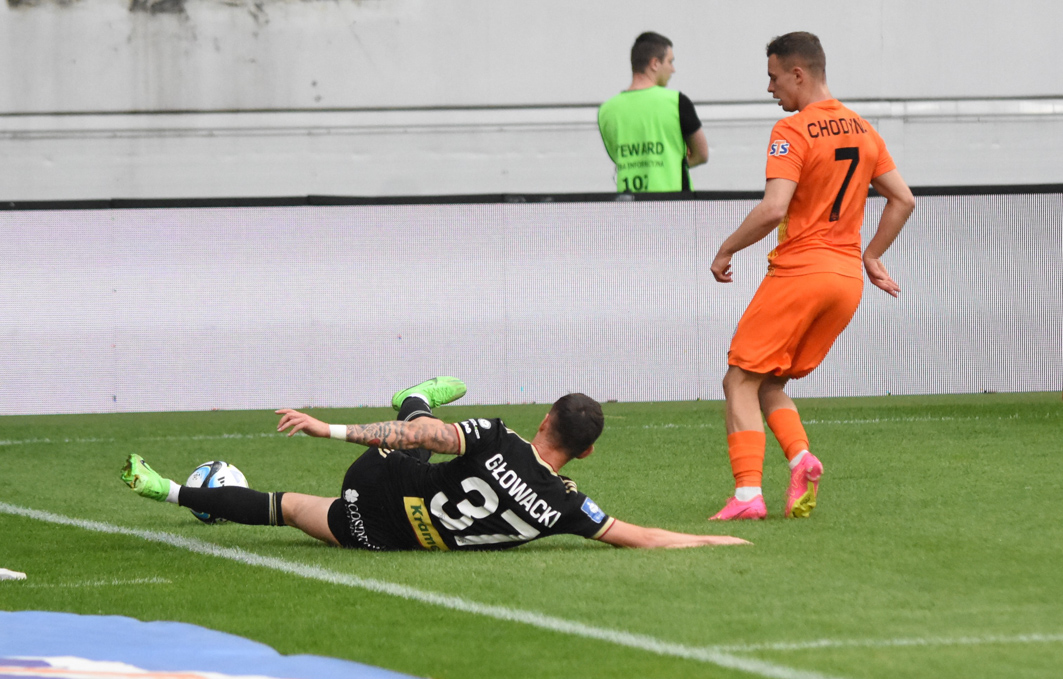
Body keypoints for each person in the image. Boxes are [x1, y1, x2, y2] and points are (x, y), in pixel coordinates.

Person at [122, 377, 748, 550]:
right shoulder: (567, 508)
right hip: (386, 536)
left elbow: (419, 438)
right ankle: (167, 489)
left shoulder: (498, 437)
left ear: (544, 420)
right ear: (586, 450)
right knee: (284, 508)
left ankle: (414, 394)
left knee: (424, 433)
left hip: (376, 481)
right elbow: (641, 536)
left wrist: (328, 428)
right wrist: (712, 541)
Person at [708, 32, 916, 521]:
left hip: (801, 272)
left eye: (773, 77)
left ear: (797, 74)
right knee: (769, 381)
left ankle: (747, 496)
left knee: (738, 379)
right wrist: (872, 256)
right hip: (844, 282)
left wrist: (725, 249)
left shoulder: (793, 130)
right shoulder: (864, 129)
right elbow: (903, 200)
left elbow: (772, 208)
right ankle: (801, 459)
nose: (770, 88)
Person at [598, 31, 709, 193]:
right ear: (655, 63)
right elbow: (702, 154)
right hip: (674, 203)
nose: (673, 69)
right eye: (670, 62)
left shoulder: (607, 110)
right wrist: (671, 162)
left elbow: (618, 157)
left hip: (629, 204)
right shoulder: (677, 102)